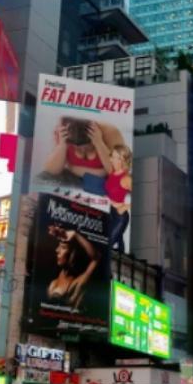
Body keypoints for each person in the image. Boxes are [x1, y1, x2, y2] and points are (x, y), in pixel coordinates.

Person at [87, 123, 134, 253]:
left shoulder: (126, 178)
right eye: (111, 155)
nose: (110, 158)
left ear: (121, 160)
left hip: (120, 216)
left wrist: (125, 206)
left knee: (105, 247)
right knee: (113, 248)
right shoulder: (113, 172)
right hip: (111, 213)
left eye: (113, 157)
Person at [46, 224, 100, 311]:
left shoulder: (77, 283)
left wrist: (75, 234)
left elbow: (96, 258)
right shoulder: (53, 282)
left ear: (73, 254)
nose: (57, 250)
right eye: (58, 246)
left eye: (63, 248)